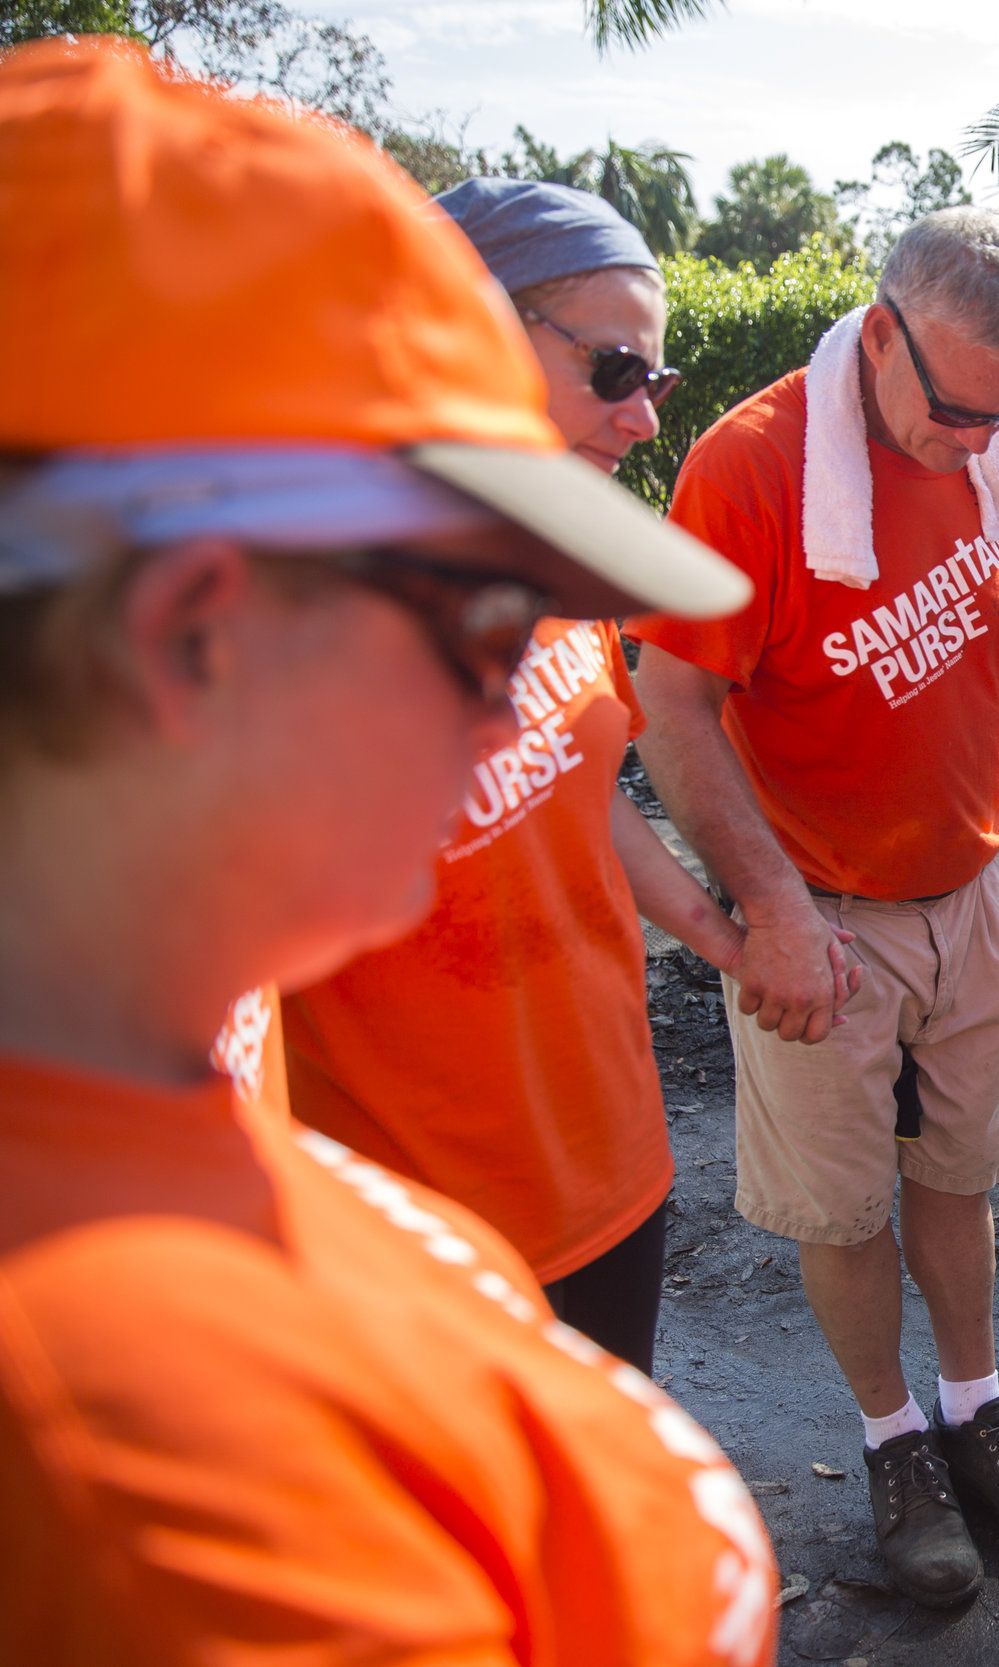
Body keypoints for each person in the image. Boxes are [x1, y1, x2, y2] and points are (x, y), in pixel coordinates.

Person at [0, 39, 777, 1662]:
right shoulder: (148, 1463)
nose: (519, 687)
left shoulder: (158, 1086)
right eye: (479, 620)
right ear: (195, 639)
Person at [630, 207, 999, 1607]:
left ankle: (977, 1408)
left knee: (959, 1173)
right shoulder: (748, 470)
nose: (977, 444)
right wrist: (769, 907)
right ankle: (894, 1444)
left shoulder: (996, 449)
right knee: (844, 1202)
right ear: (879, 335)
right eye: (953, 411)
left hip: (971, 884)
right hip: (820, 908)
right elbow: (672, 697)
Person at [281, 179, 741, 1375]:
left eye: (658, 379)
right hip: (414, 1233)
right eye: (615, 371)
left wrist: (722, 929)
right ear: (467, 330)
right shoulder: (295, 626)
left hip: (608, 1163)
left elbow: (576, 786)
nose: (644, 418)